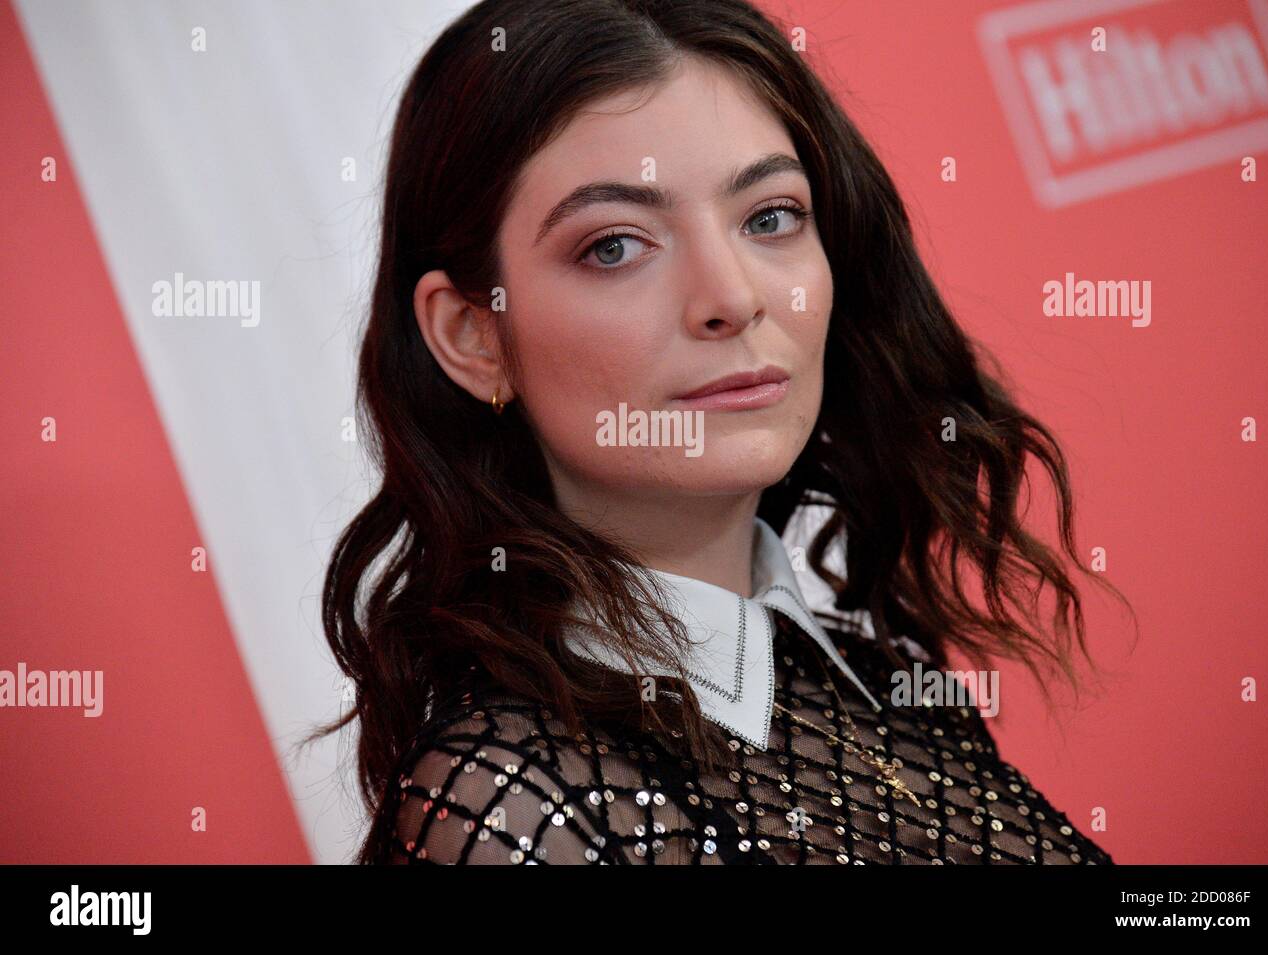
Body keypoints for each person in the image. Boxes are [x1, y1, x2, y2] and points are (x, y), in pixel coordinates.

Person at [313, 0, 1128, 865]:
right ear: (475, 335)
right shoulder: (505, 794)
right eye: (616, 246)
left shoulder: (886, 678)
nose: (732, 297)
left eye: (769, 217)